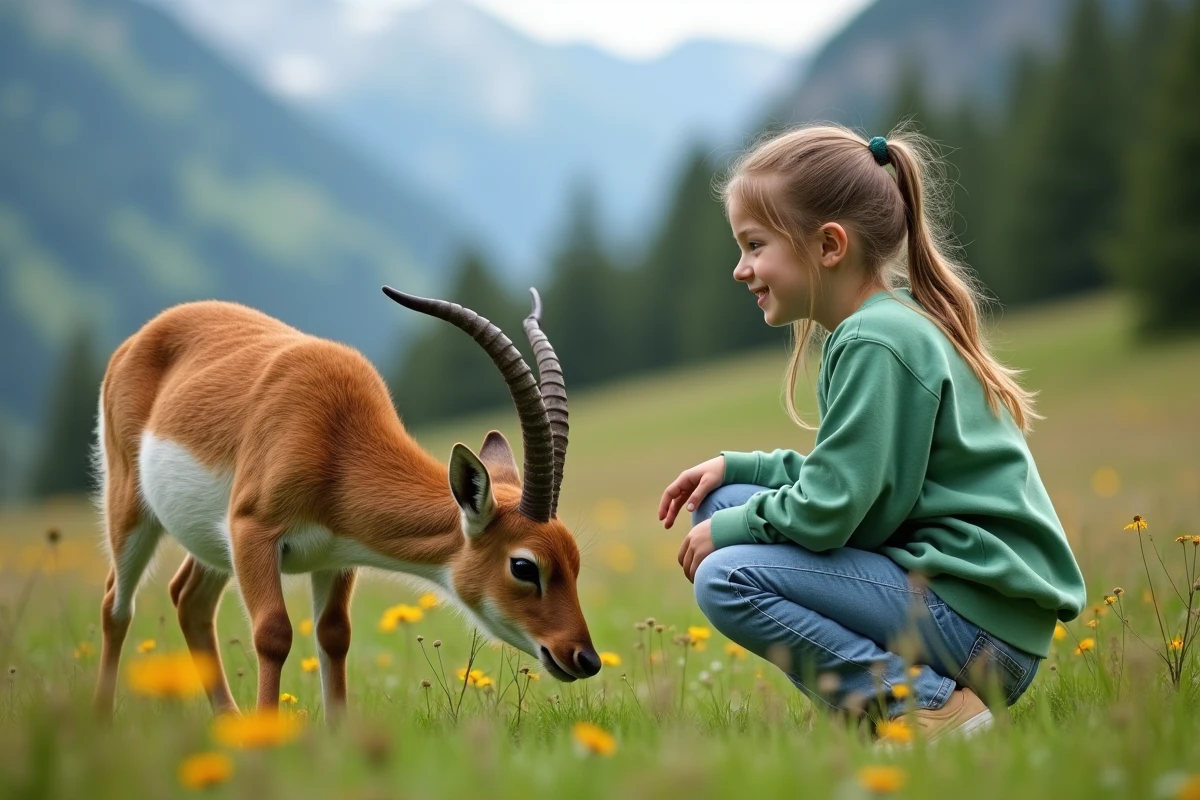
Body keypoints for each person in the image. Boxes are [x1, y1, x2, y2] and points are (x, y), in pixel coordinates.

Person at [657, 124, 1086, 742]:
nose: (740, 269)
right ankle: (889, 702)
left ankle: (927, 706)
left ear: (829, 245)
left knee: (726, 575)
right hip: (967, 613)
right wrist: (739, 469)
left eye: (754, 245)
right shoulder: (880, 325)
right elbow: (853, 477)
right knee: (721, 504)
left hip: (975, 627)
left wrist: (727, 530)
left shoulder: (875, 340)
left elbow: (831, 509)